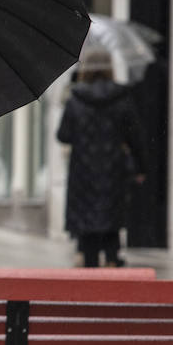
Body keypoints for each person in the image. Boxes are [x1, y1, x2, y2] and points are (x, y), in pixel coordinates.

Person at [57, 47, 147, 268]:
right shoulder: (122, 98)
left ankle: (90, 269)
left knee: (88, 228)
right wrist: (141, 168)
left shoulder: (75, 99)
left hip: (83, 173)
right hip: (113, 170)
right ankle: (113, 261)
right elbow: (136, 137)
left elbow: (63, 135)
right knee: (111, 222)